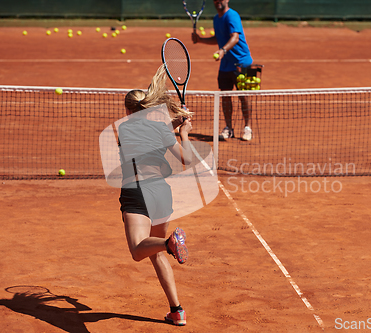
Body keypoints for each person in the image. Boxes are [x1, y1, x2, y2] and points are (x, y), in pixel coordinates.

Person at [118, 64, 193, 326]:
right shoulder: (162, 130)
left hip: (137, 193)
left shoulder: (125, 129)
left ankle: (170, 243)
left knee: (140, 250)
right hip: (162, 193)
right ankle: (177, 311)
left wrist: (172, 126)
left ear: (128, 111)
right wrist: (181, 132)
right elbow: (188, 160)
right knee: (156, 254)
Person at [192, 0, 254, 141]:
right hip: (226, 64)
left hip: (241, 62)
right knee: (225, 96)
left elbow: (235, 38)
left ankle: (247, 128)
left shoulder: (232, 16)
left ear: (227, 0)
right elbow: (218, 38)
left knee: (243, 96)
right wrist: (201, 40)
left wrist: (223, 50)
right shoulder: (216, 18)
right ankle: (229, 128)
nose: (218, 1)